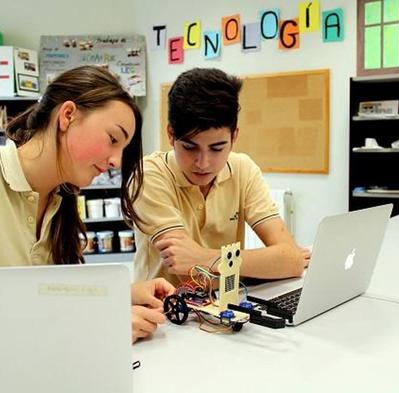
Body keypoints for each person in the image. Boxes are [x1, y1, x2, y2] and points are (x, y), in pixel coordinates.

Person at [0, 65, 173, 343]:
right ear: (68, 115)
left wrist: (123, 293)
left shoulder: (60, 201)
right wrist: (99, 325)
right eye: (112, 139)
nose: (116, 161)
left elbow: (45, 294)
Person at [132, 67, 310, 286]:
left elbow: (291, 261)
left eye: (217, 148)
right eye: (190, 147)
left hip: (229, 305)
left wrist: (206, 257)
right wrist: (262, 262)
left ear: (234, 136)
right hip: (164, 313)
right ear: (171, 134)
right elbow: (192, 278)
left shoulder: (243, 168)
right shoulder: (148, 176)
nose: (203, 163)